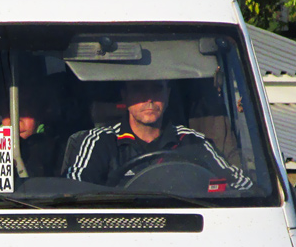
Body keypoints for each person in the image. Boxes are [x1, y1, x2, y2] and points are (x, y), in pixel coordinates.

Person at [64, 79, 251, 189]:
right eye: (139, 89)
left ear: (167, 95)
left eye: (157, 88)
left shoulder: (193, 142)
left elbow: (241, 185)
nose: (149, 99)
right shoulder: (99, 142)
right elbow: (74, 191)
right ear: (125, 96)